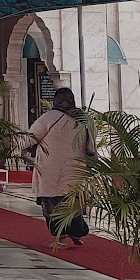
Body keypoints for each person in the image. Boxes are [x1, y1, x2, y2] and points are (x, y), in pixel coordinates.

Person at [27, 86, 93, 244]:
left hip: (51, 173)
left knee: (52, 206)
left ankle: (60, 238)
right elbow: (91, 148)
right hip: (74, 172)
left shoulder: (49, 117)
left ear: (55, 101)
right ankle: (77, 234)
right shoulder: (83, 120)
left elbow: (29, 138)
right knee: (72, 206)